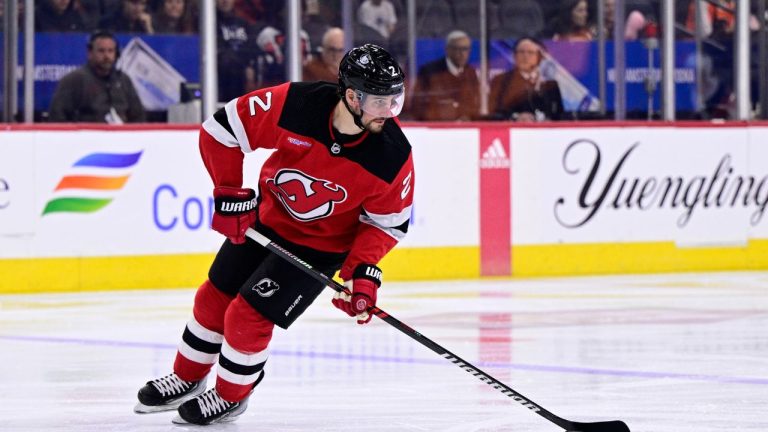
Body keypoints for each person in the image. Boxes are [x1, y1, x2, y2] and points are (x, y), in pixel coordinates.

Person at [133, 43, 414, 426]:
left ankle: (232, 396)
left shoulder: (392, 154)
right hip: (266, 223)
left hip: (319, 249)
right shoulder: (296, 104)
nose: (390, 113)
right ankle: (187, 377)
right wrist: (230, 193)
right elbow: (221, 129)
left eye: (394, 102)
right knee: (213, 298)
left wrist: (361, 273)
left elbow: (386, 222)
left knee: (246, 317)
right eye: (380, 102)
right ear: (351, 96)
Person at [48, 30, 146, 123]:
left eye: (110, 51)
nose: (106, 56)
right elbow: (57, 115)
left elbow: (138, 115)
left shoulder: (123, 79)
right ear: (90, 53)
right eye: (101, 51)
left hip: (121, 137)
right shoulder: (74, 80)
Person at [488, 37, 563, 122]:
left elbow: (558, 115)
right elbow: (492, 112)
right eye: (521, 52)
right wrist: (516, 117)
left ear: (539, 57)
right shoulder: (500, 81)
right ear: (514, 56)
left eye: (530, 53)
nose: (525, 56)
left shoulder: (550, 84)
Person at [410, 30, 479, 121]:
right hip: (436, 128)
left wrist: (468, 116)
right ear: (448, 50)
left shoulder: (470, 72)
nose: (462, 53)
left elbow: (475, 102)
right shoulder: (430, 72)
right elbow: (417, 105)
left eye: (465, 49)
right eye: (458, 49)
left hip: (464, 129)